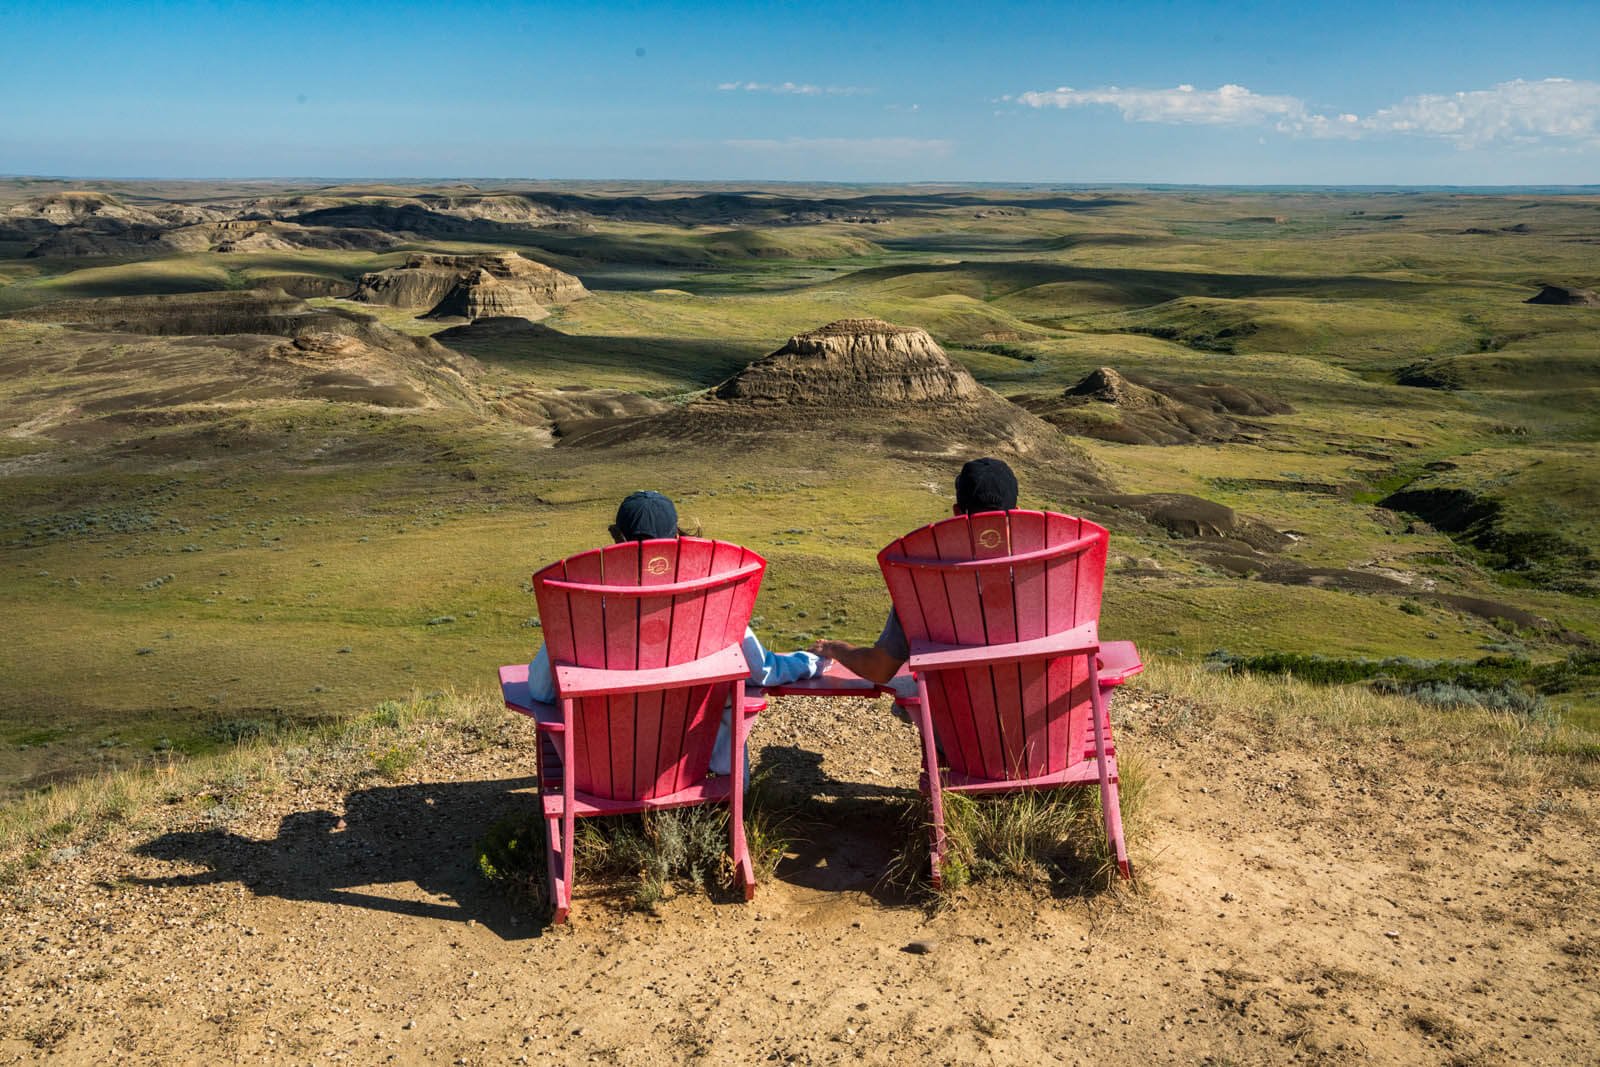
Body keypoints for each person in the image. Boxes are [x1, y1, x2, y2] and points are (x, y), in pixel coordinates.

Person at [527, 490, 825, 776]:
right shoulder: (711, 601)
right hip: (687, 769)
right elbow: (762, 671)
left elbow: (541, 689)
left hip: (607, 776)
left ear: (616, 538)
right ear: (676, 539)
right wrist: (813, 661)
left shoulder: (584, 608)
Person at [808, 457, 1019, 694]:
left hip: (955, 725)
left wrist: (834, 648)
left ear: (957, 514)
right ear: (1017, 514)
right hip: (1047, 723)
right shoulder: (1050, 577)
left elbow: (880, 669)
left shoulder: (923, 581)